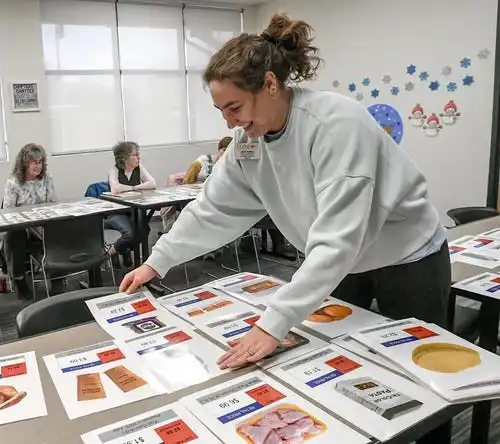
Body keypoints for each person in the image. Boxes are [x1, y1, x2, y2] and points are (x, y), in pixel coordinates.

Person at [120, 13, 449, 371]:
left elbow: (339, 238)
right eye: (221, 111)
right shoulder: (248, 143)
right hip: (341, 264)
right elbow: (212, 208)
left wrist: (272, 322)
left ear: (271, 84)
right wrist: (158, 260)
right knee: (340, 364)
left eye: (235, 107)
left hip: (406, 257)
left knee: (418, 369)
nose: (229, 123)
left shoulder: (335, 124)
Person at [2, 143, 57, 299]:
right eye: (34, 162)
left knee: (59, 230)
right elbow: (8, 211)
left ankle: (57, 274)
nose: (37, 166)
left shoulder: (47, 178)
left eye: (40, 162)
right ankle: (19, 279)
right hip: (22, 225)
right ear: (25, 163)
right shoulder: (13, 182)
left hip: (42, 223)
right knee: (15, 235)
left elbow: (53, 202)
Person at [105, 141, 156, 268]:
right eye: (136, 155)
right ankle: (112, 251)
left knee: (144, 230)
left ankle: (123, 250)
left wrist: (133, 187)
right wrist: (136, 188)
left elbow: (152, 183)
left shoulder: (139, 168)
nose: (139, 157)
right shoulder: (114, 169)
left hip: (134, 210)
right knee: (130, 234)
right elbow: (115, 188)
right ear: (125, 157)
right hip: (116, 212)